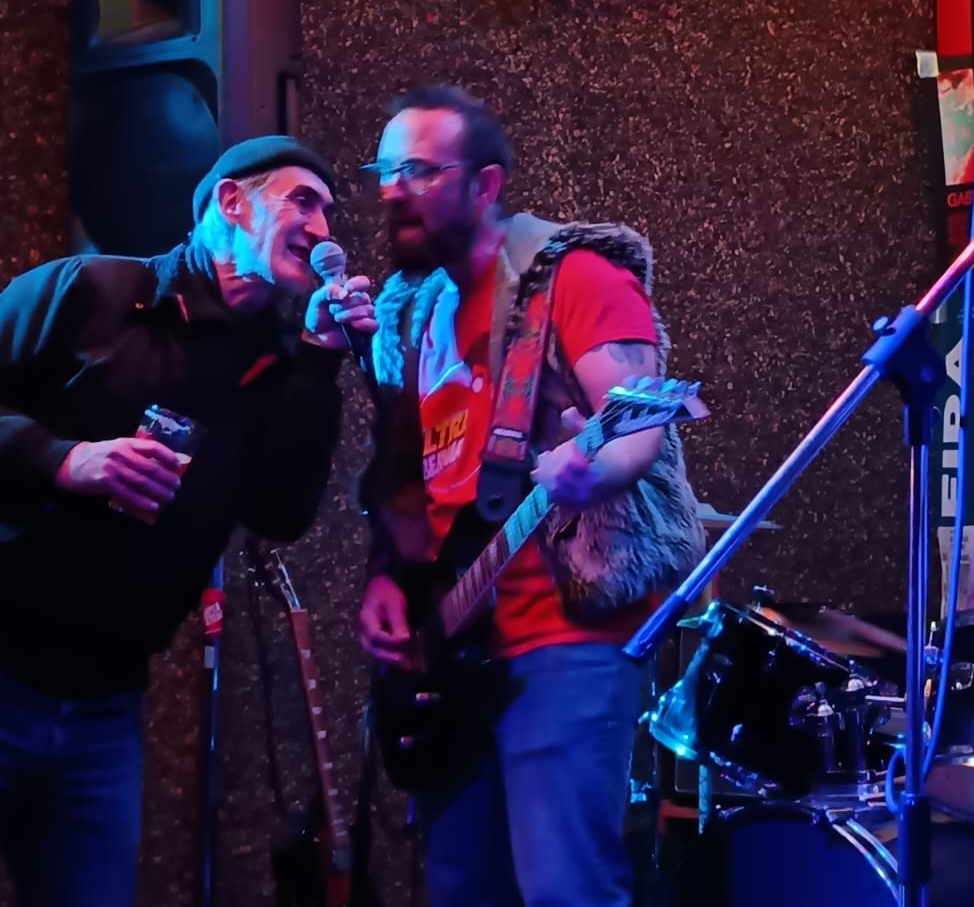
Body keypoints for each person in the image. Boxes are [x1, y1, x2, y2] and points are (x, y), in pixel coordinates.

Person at [355, 86, 704, 907]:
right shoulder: (420, 310)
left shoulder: (575, 278)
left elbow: (635, 429)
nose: (392, 190)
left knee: (564, 889)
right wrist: (387, 577)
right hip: (455, 646)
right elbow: (411, 478)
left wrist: (593, 471)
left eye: (418, 170)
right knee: (461, 888)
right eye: (384, 171)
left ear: (485, 184)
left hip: (563, 635)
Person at [0, 135, 372, 907]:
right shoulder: (94, 291)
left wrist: (320, 357)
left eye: (330, 213)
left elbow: (278, 511)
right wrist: (64, 459)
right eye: (303, 201)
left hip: (105, 705)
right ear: (231, 202)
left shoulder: (277, 364)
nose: (322, 227)